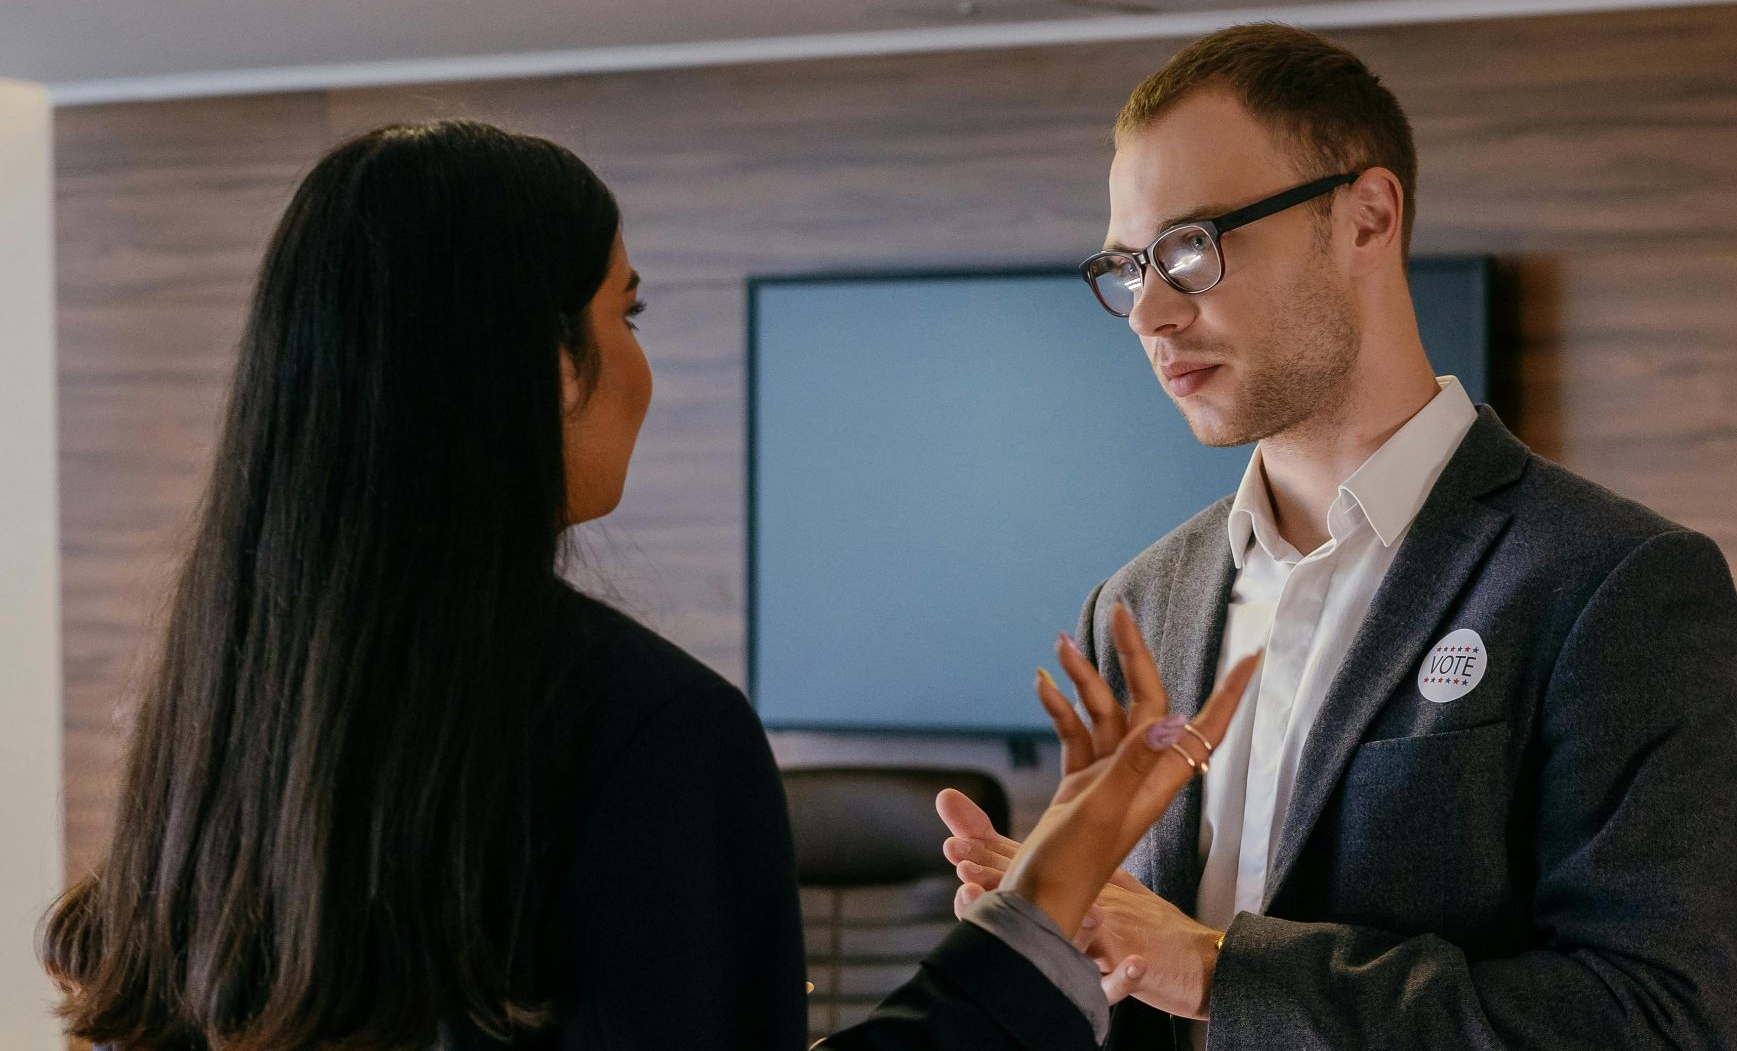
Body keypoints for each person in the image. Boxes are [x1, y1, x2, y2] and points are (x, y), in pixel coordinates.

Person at [34, 118, 1247, 1051]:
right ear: (547, 366)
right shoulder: (644, 730)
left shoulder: (208, 710)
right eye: (629, 311)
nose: (642, 366)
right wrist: (1037, 914)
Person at [938, 22, 1737, 1050]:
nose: (1148, 310)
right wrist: (1042, 957)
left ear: (1366, 219)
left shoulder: (1613, 583)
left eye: (1192, 248)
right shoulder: (1138, 606)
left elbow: (1661, 1019)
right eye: (1127, 265)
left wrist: (1216, 968)